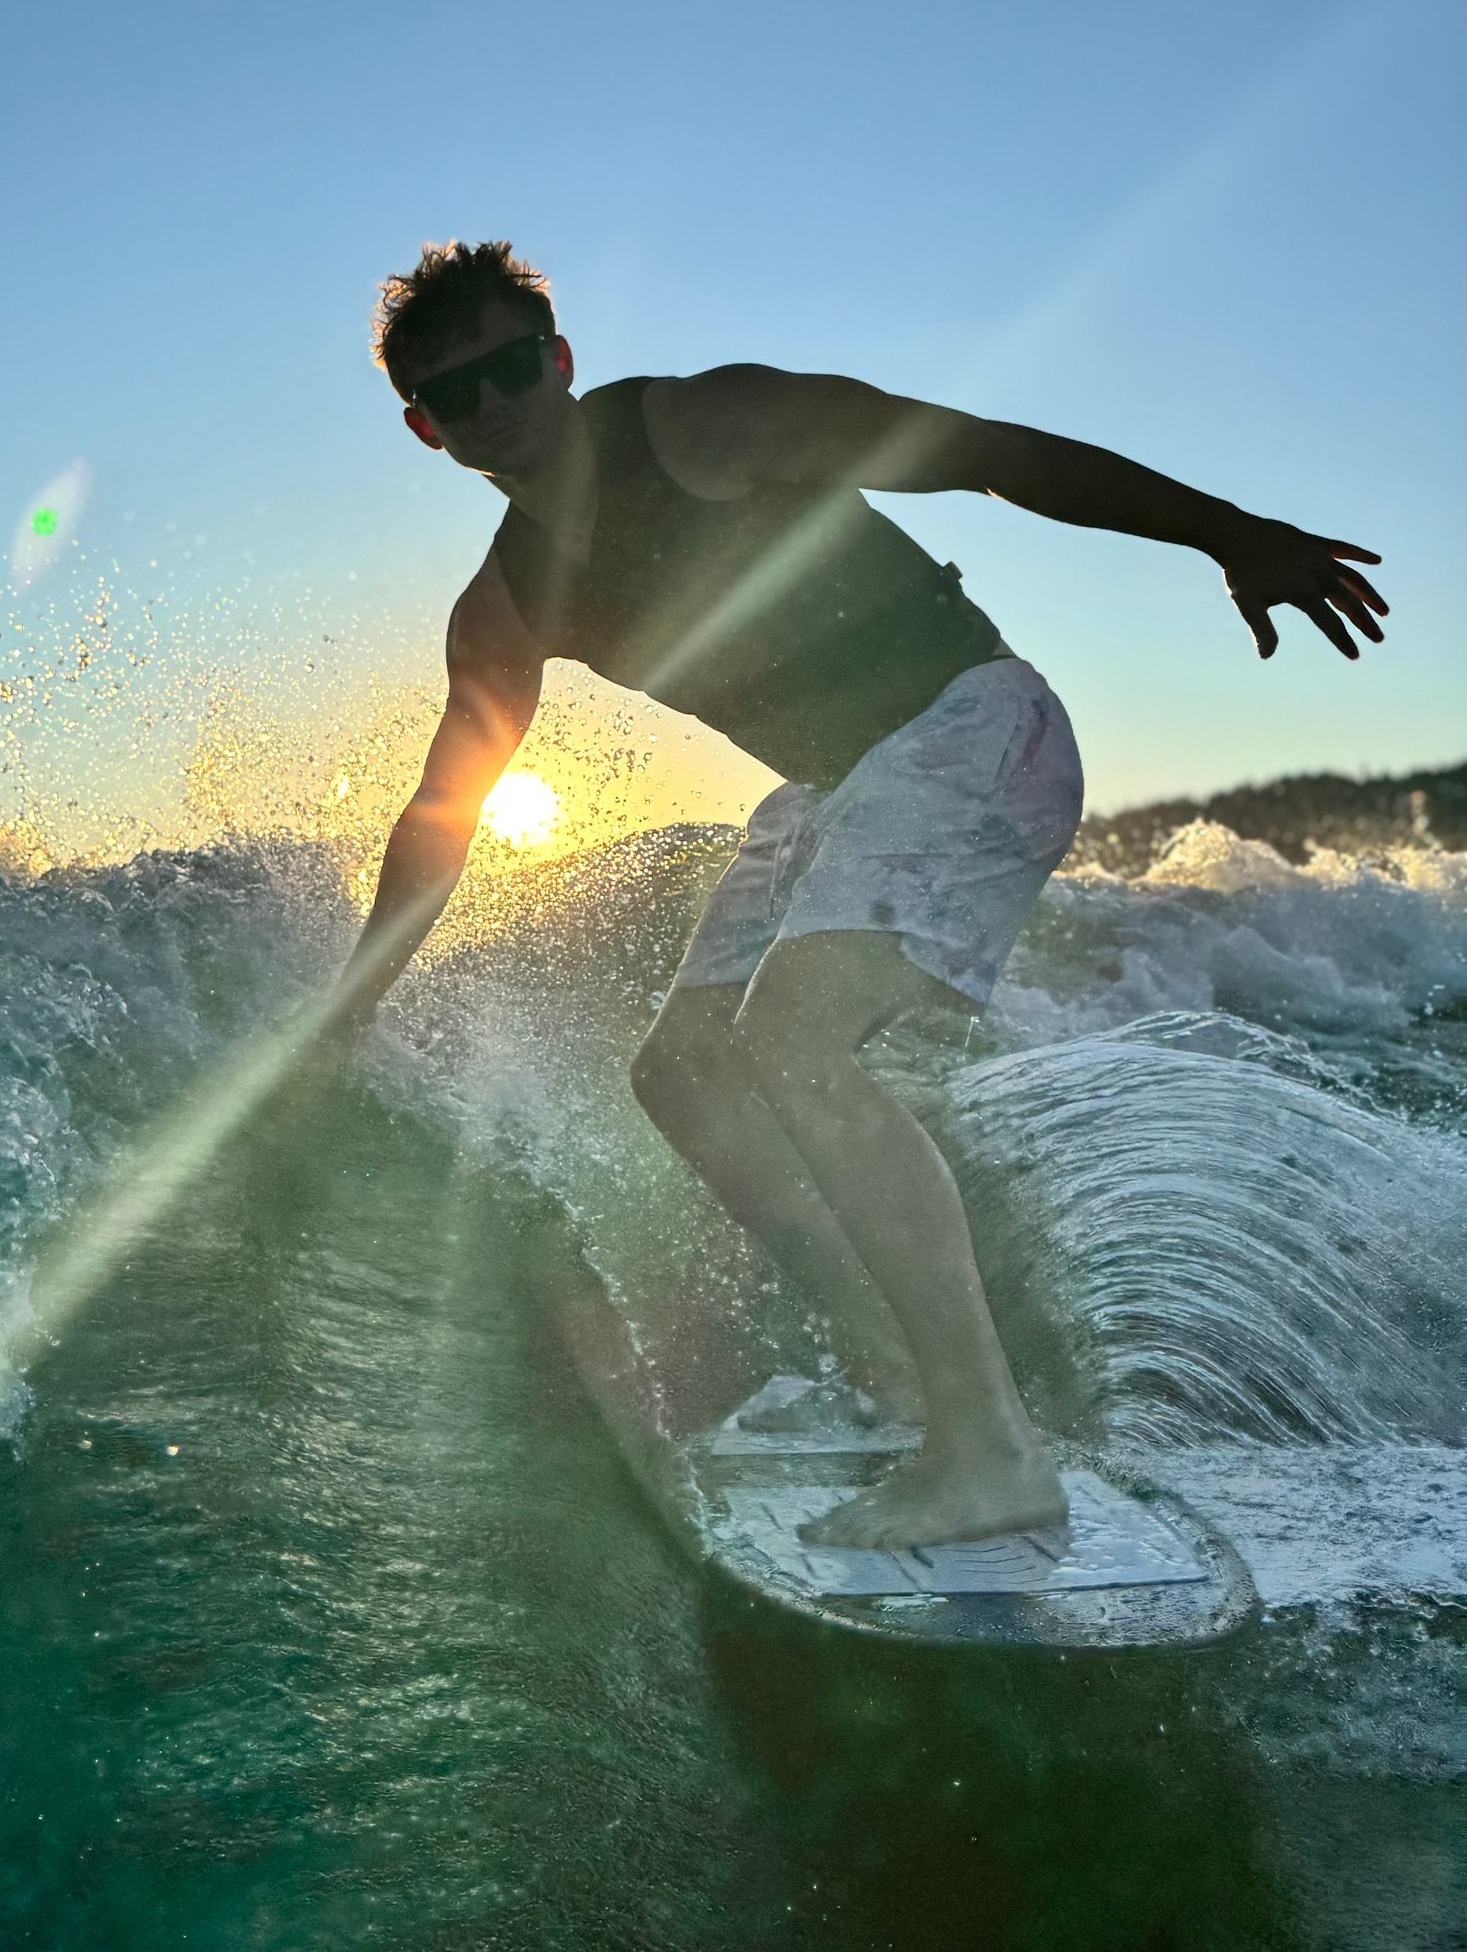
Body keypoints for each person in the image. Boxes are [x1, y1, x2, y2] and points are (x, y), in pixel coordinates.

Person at [329, 240, 1388, 1551]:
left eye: (505, 369)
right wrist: (349, 1004)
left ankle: (989, 1451)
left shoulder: (709, 423)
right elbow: (446, 816)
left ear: (556, 360)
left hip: (971, 722)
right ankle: (891, 1365)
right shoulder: (501, 606)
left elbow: (987, 451)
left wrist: (1232, 534)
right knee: (687, 1073)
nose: (491, 409)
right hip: (840, 786)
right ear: (426, 432)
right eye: (451, 398)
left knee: (795, 1039)